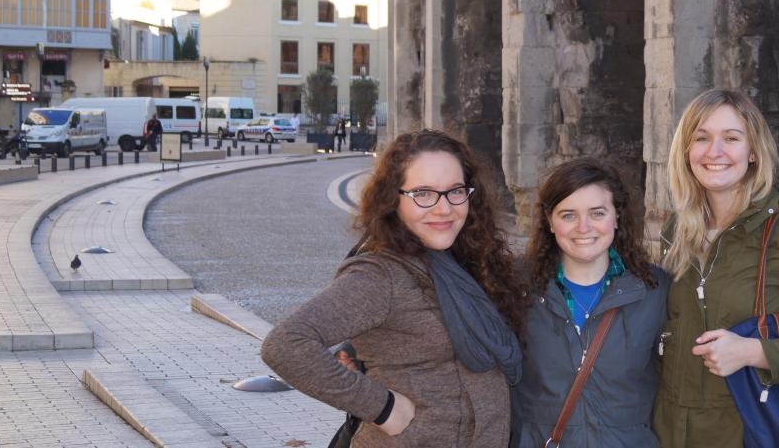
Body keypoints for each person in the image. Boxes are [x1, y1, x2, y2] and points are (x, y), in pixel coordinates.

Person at [261, 129, 527, 447]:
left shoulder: (465, 261)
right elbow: (285, 344)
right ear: (393, 200)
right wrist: (382, 408)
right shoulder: (381, 275)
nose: (444, 208)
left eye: (455, 191)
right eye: (423, 194)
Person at [652, 89, 779, 447]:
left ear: (752, 152)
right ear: (686, 151)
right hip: (671, 430)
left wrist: (751, 351)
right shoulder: (677, 230)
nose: (715, 151)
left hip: (747, 430)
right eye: (701, 138)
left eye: (731, 138)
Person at [512, 158, 669, 447]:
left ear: (617, 216)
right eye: (568, 215)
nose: (583, 227)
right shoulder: (515, 289)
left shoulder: (656, 290)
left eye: (597, 213)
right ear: (549, 221)